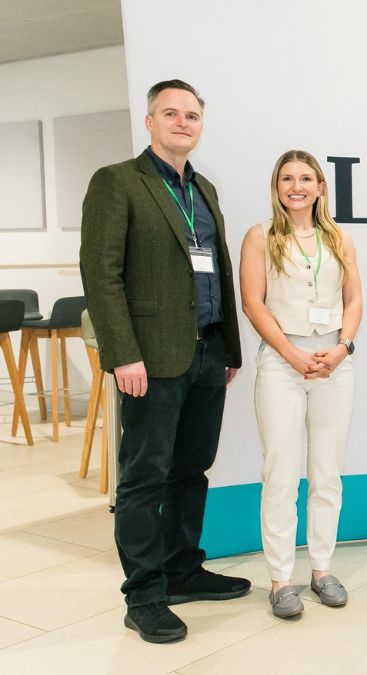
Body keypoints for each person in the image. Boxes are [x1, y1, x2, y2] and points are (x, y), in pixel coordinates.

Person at [80, 79, 250, 644]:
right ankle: (146, 594)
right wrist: (122, 353)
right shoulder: (117, 182)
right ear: (149, 122)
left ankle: (182, 570)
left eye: (193, 115)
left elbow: (216, 273)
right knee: (143, 477)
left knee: (191, 469)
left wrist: (227, 345)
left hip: (206, 354)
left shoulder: (205, 190)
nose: (183, 122)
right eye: (171, 113)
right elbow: (102, 275)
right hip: (149, 361)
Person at [240, 150, 362, 619]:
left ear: (320, 187)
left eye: (306, 178)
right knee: (282, 473)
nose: (297, 186)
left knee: (327, 471)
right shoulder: (261, 236)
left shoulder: (339, 239)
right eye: (287, 178)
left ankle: (323, 570)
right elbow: (253, 303)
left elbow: (354, 300)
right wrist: (291, 354)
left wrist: (342, 348)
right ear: (277, 186)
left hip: (333, 362)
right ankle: (280, 580)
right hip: (282, 363)